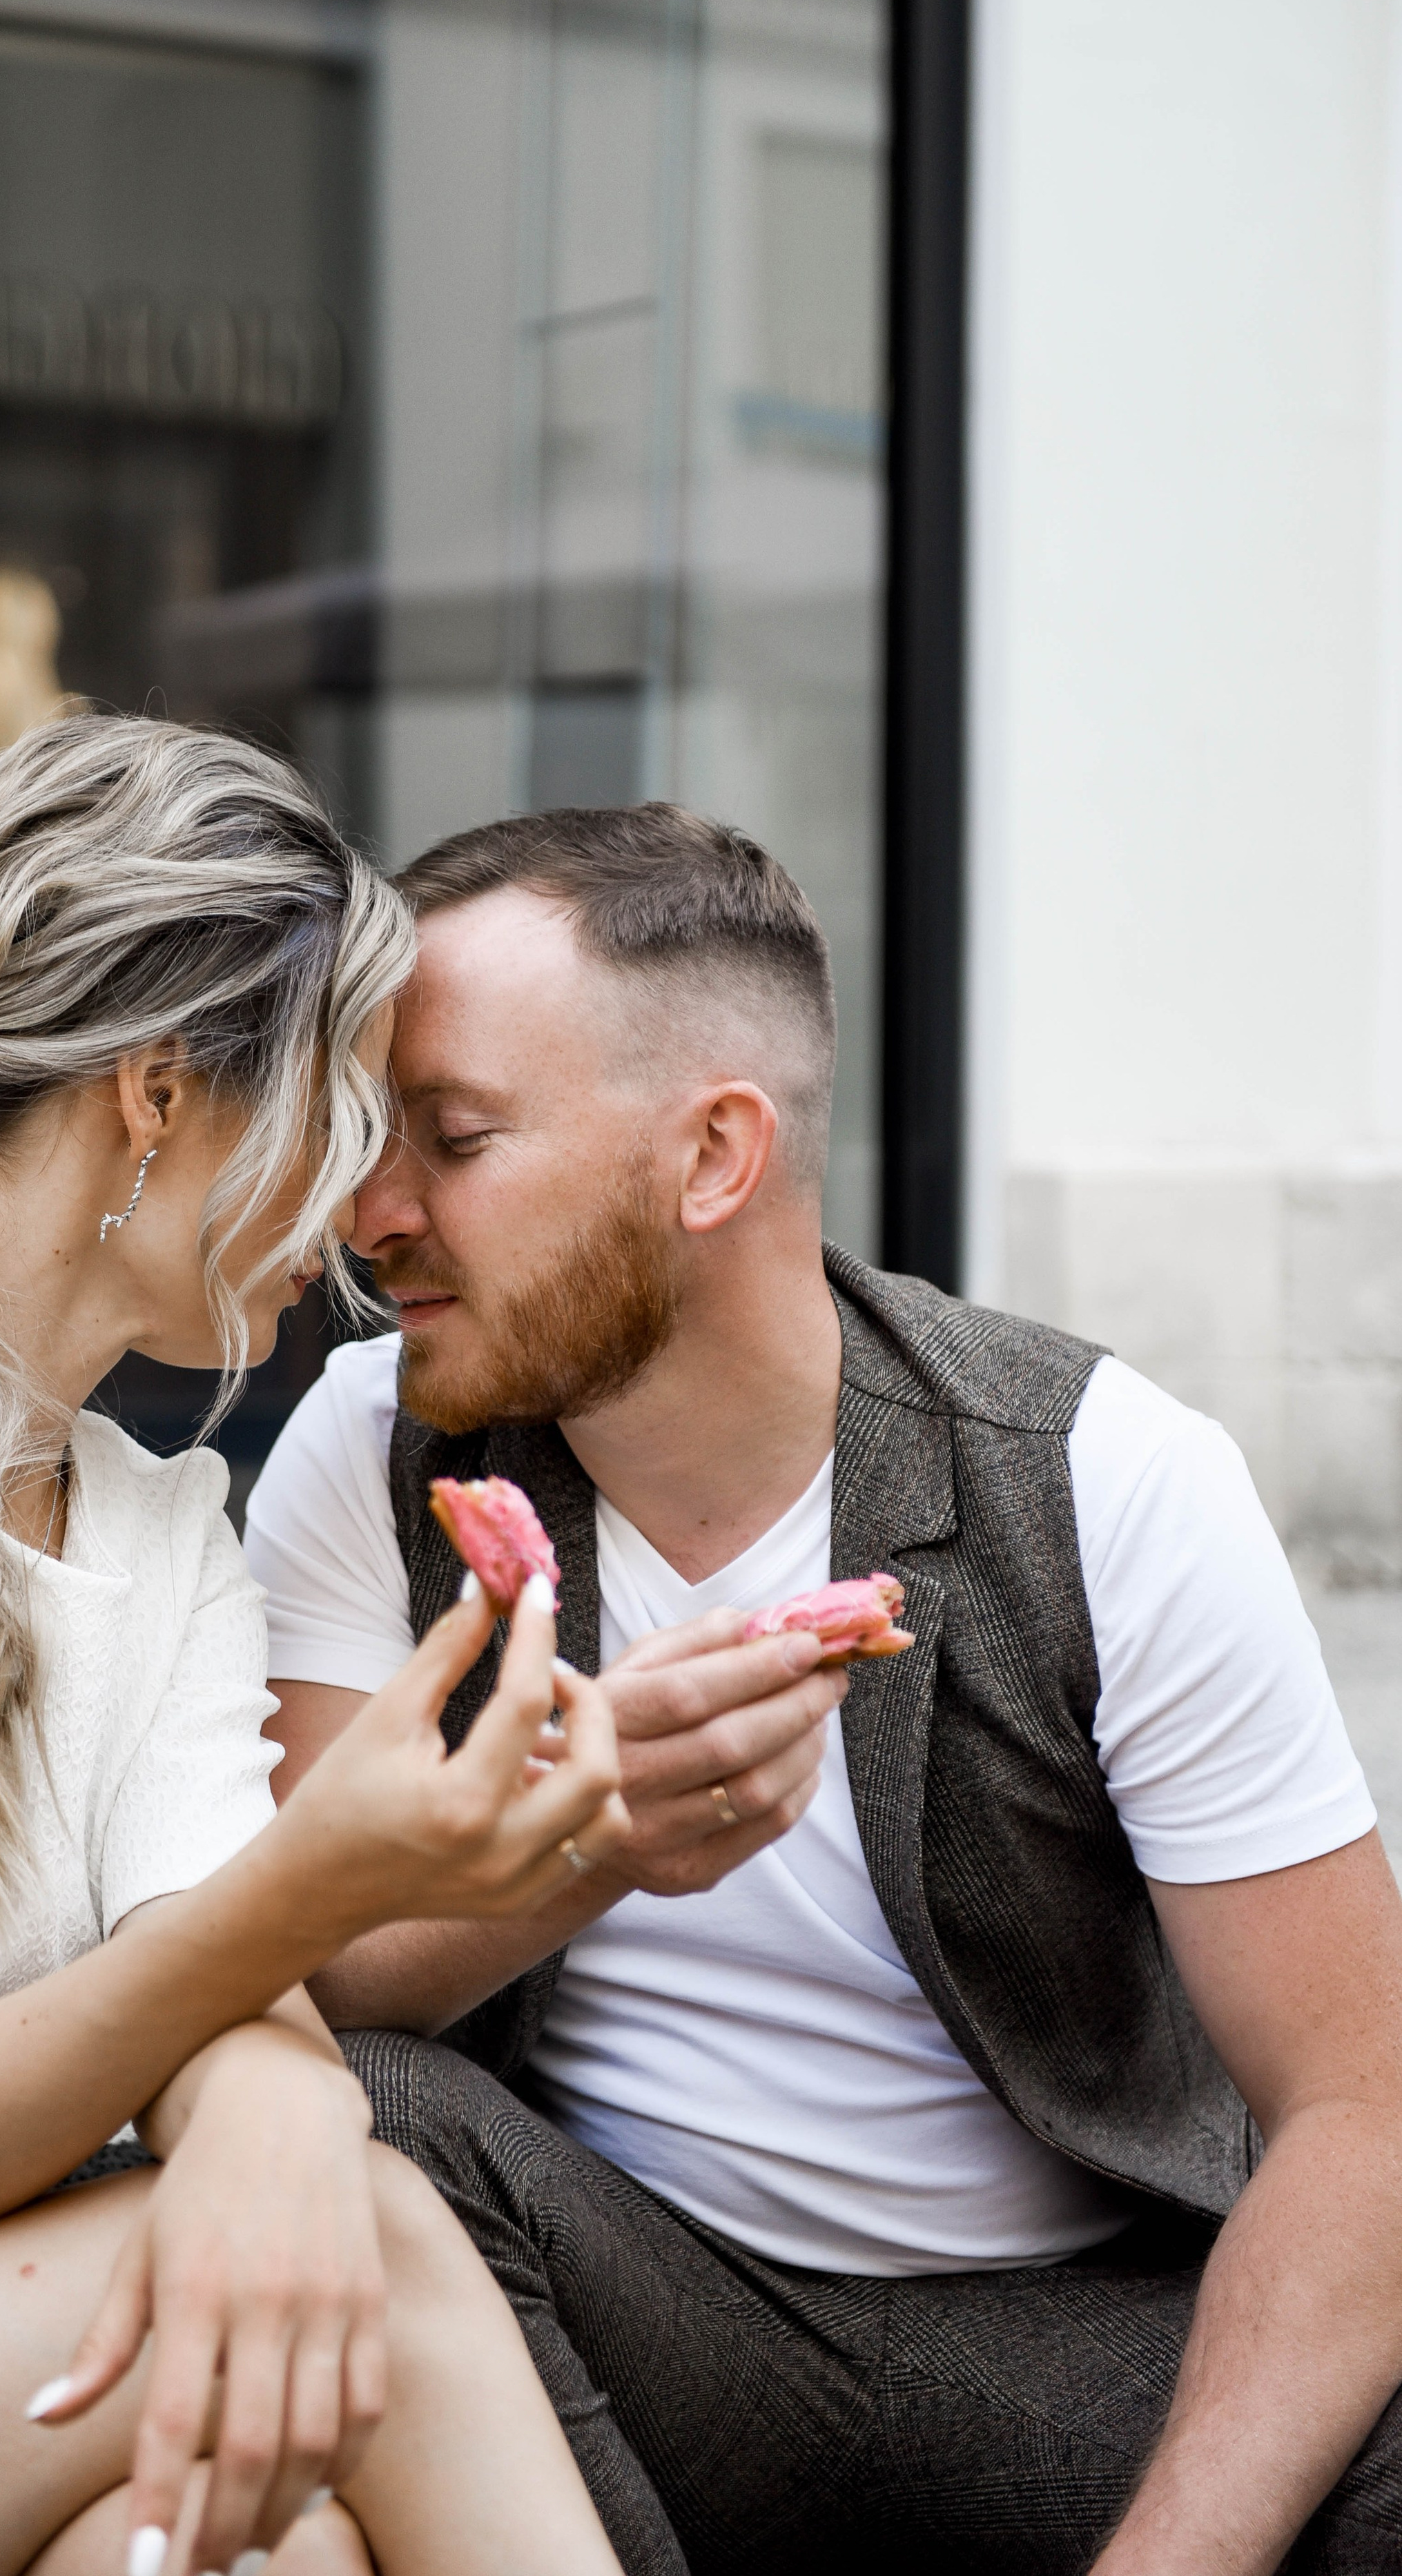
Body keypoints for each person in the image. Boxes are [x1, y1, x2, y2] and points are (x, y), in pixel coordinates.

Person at [248, 800, 1402, 2575]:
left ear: (713, 1155)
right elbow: (306, 1975)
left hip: (1075, 2346)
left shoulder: (1099, 1479)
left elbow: (1357, 2107)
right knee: (363, 2122)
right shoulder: (368, 1446)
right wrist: (587, 1843)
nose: (368, 1213)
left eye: (451, 1139)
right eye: (362, 1137)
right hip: (639, 2331)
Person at [0, 714, 633, 2576]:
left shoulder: (166, 1519)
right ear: (161, 1094)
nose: (361, 1206)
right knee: (395, 2261)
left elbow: (205, 1967)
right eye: (341, 1102)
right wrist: (314, 1905)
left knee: (253, 2544)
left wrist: (270, 2099)